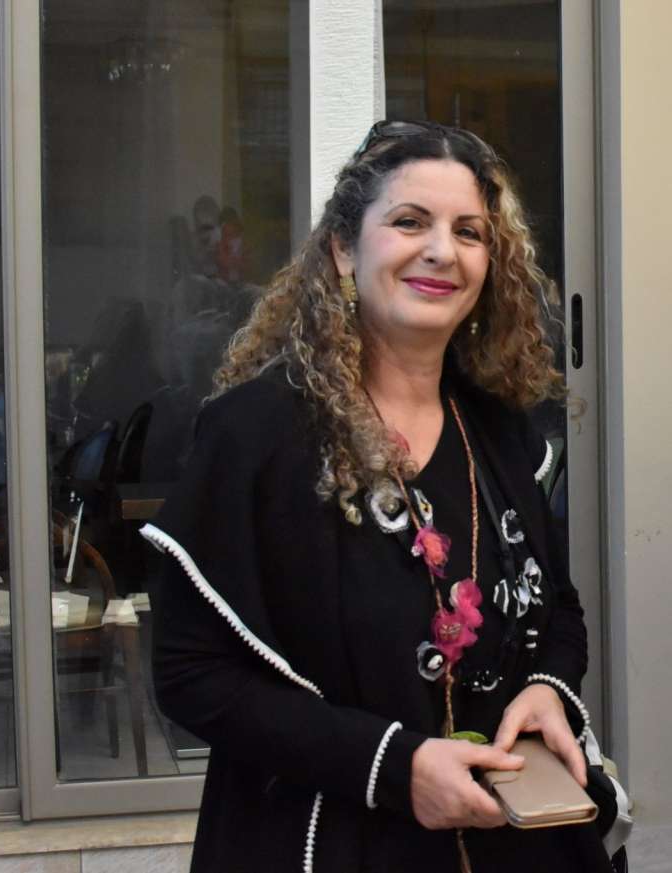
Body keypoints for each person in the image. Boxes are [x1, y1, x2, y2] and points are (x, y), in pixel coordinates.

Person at [142, 121, 614, 872]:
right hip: (328, 843)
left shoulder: (499, 431)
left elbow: (559, 609)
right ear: (343, 248)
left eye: (469, 232)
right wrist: (394, 767)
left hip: (513, 843)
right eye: (410, 222)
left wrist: (549, 689)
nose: (442, 251)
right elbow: (192, 673)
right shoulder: (255, 434)